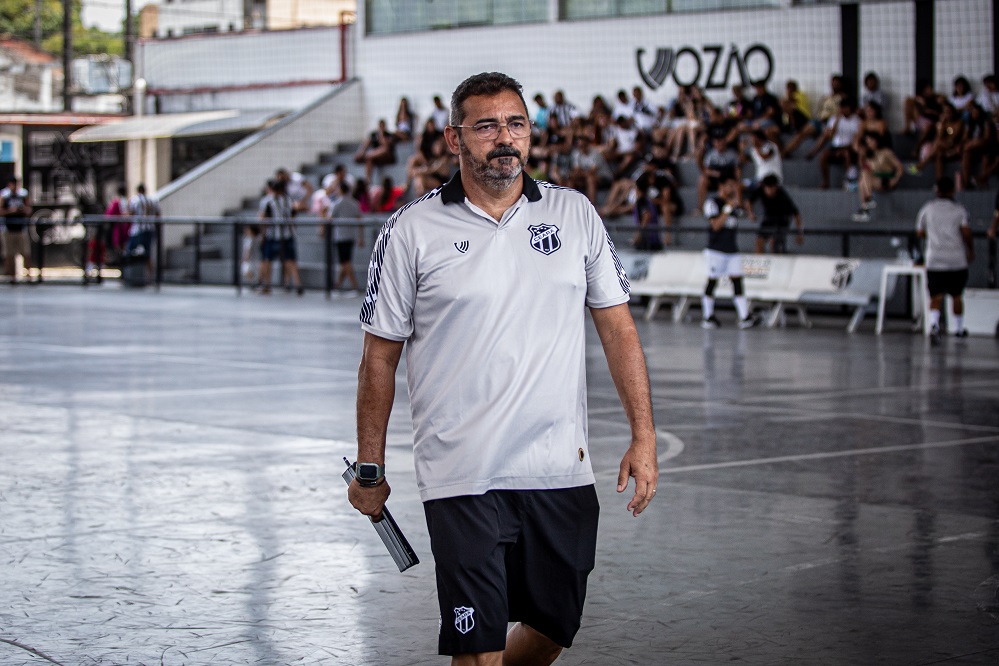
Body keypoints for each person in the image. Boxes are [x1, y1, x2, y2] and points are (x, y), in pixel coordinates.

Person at [348, 71, 658, 666]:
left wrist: (643, 435)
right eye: (486, 126)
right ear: (454, 139)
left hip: (558, 467)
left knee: (553, 627)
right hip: (462, 472)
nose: (504, 137)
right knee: (479, 646)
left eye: (516, 123)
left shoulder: (575, 216)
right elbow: (378, 357)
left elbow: (618, 328)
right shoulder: (411, 230)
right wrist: (370, 466)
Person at [916, 177, 975, 344]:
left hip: (935, 258)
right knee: (957, 295)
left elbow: (919, 232)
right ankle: (959, 328)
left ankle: (934, 325)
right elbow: (966, 232)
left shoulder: (928, 209)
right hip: (956, 258)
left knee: (935, 295)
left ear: (937, 191)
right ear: (952, 191)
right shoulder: (959, 210)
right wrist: (970, 250)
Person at [701, 175, 756, 329]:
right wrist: (727, 209)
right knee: (712, 281)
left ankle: (744, 316)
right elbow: (715, 226)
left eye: (733, 186)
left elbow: (744, 214)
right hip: (716, 250)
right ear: (721, 187)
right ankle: (708, 316)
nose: (732, 189)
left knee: (737, 281)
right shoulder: (714, 203)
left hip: (732, 250)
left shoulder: (734, 205)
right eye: (729, 186)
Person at [257, 179, 303, 296]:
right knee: (290, 260)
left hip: (273, 235)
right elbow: (294, 214)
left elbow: (262, 218)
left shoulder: (268, 201)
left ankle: (267, 284)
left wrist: (263, 233)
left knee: (268, 259)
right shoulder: (288, 200)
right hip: (287, 233)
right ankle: (297, 283)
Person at [852, 133, 903, 222]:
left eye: (870, 141)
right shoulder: (869, 157)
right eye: (867, 142)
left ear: (876, 141)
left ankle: (866, 206)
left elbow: (900, 167)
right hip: (874, 180)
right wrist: (861, 156)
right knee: (862, 180)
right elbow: (863, 170)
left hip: (886, 179)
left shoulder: (886, 152)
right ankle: (867, 206)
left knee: (863, 178)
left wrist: (895, 180)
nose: (869, 144)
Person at [326, 180, 364, 295]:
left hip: (340, 236)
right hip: (351, 235)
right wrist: (361, 237)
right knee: (345, 261)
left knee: (345, 262)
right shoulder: (354, 203)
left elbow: (330, 218)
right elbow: (359, 220)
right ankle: (337, 285)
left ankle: (355, 287)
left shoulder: (337, 203)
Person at [749, 174, 803, 254]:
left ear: (776, 187)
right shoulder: (760, 190)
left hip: (782, 220)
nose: (769, 191)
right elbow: (749, 201)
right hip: (769, 218)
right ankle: (760, 262)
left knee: (774, 242)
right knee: (759, 241)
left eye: (771, 188)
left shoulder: (783, 196)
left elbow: (796, 214)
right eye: (767, 188)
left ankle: (776, 260)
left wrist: (799, 233)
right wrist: (751, 213)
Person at [0, 176, 33, 283]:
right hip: (8, 228)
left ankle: (28, 275)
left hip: (21, 228)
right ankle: (12, 276)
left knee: (25, 252)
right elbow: (1, 211)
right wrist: (11, 211)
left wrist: (23, 210)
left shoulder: (23, 194)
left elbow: (29, 209)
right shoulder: (4, 195)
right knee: (9, 253)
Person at [126, 183, 160, 282]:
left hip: (137, 230)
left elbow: (130, 213)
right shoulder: (152, 200)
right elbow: (158, 214)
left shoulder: (135, 200)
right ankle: (150, 277)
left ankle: (130, 276)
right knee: (147, 253)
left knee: (131, 252)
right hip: (150, 229)